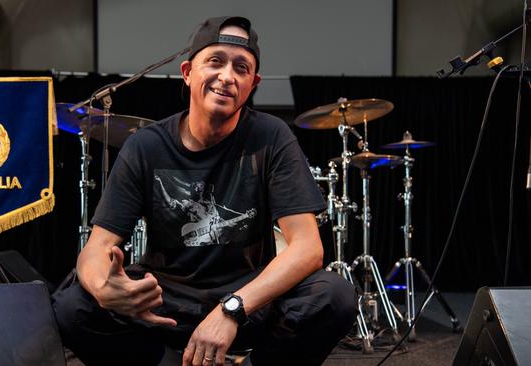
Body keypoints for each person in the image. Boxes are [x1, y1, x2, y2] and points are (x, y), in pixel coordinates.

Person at [52, 16, 357, 366]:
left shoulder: (271, 137)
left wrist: (232, 309)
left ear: (252, 83)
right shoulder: (146, 147)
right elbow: (97, 248)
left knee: (334, 295)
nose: (227, 76)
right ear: (187, 72)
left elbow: (307, 248)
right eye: (215, 62)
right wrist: (104, 288)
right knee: (72, 305)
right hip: (164, 300)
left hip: (247, 299)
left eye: (241, 68)